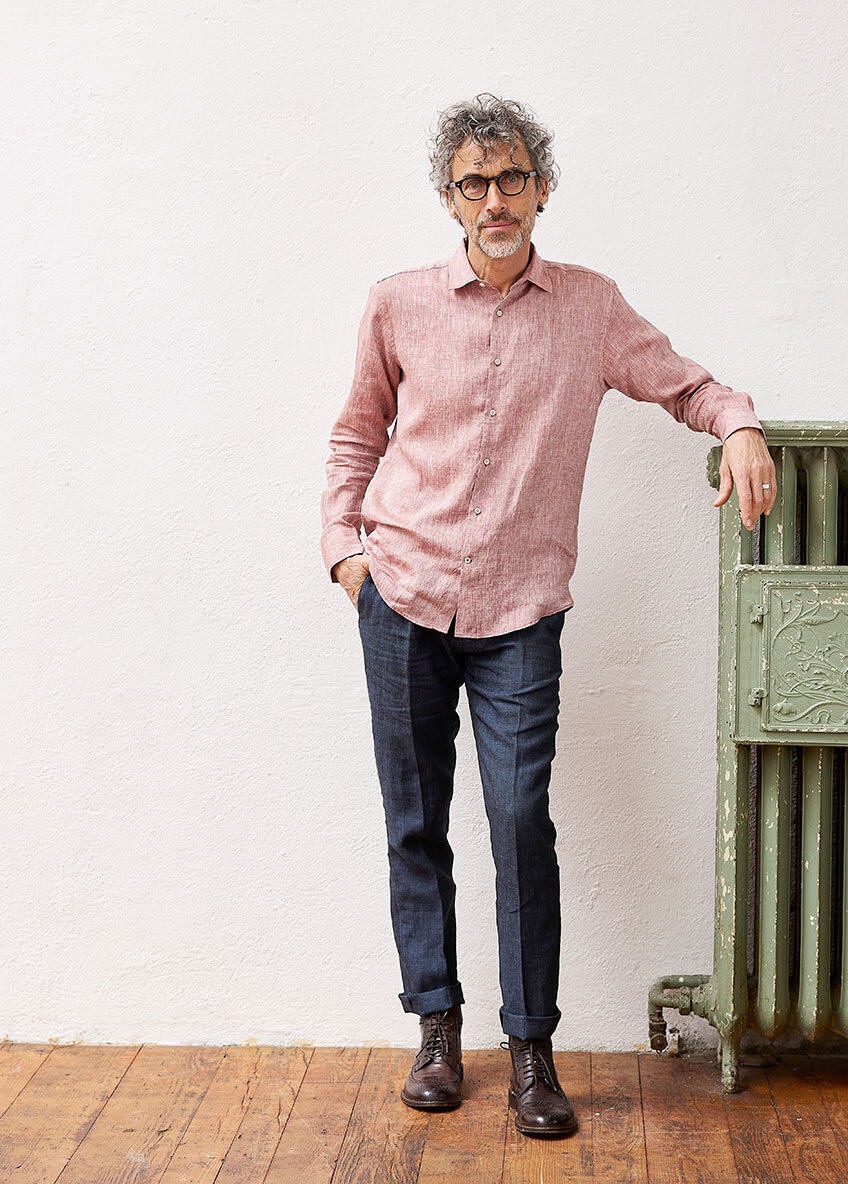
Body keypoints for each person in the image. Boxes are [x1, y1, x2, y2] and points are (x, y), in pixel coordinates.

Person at [319, 93, 777, 1138]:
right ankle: (436, 1028)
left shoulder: (590, 306)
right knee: (413, 822)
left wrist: (740, 425)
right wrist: (347, 554)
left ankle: (531, 1049)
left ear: (541, 189)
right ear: (449, 199)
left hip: (521, 611)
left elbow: (686, 386)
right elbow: (354, 436)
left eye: (513, 178)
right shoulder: (395, 304)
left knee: (520, 819)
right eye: (475, 182)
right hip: (402, 597)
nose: (496, 199)